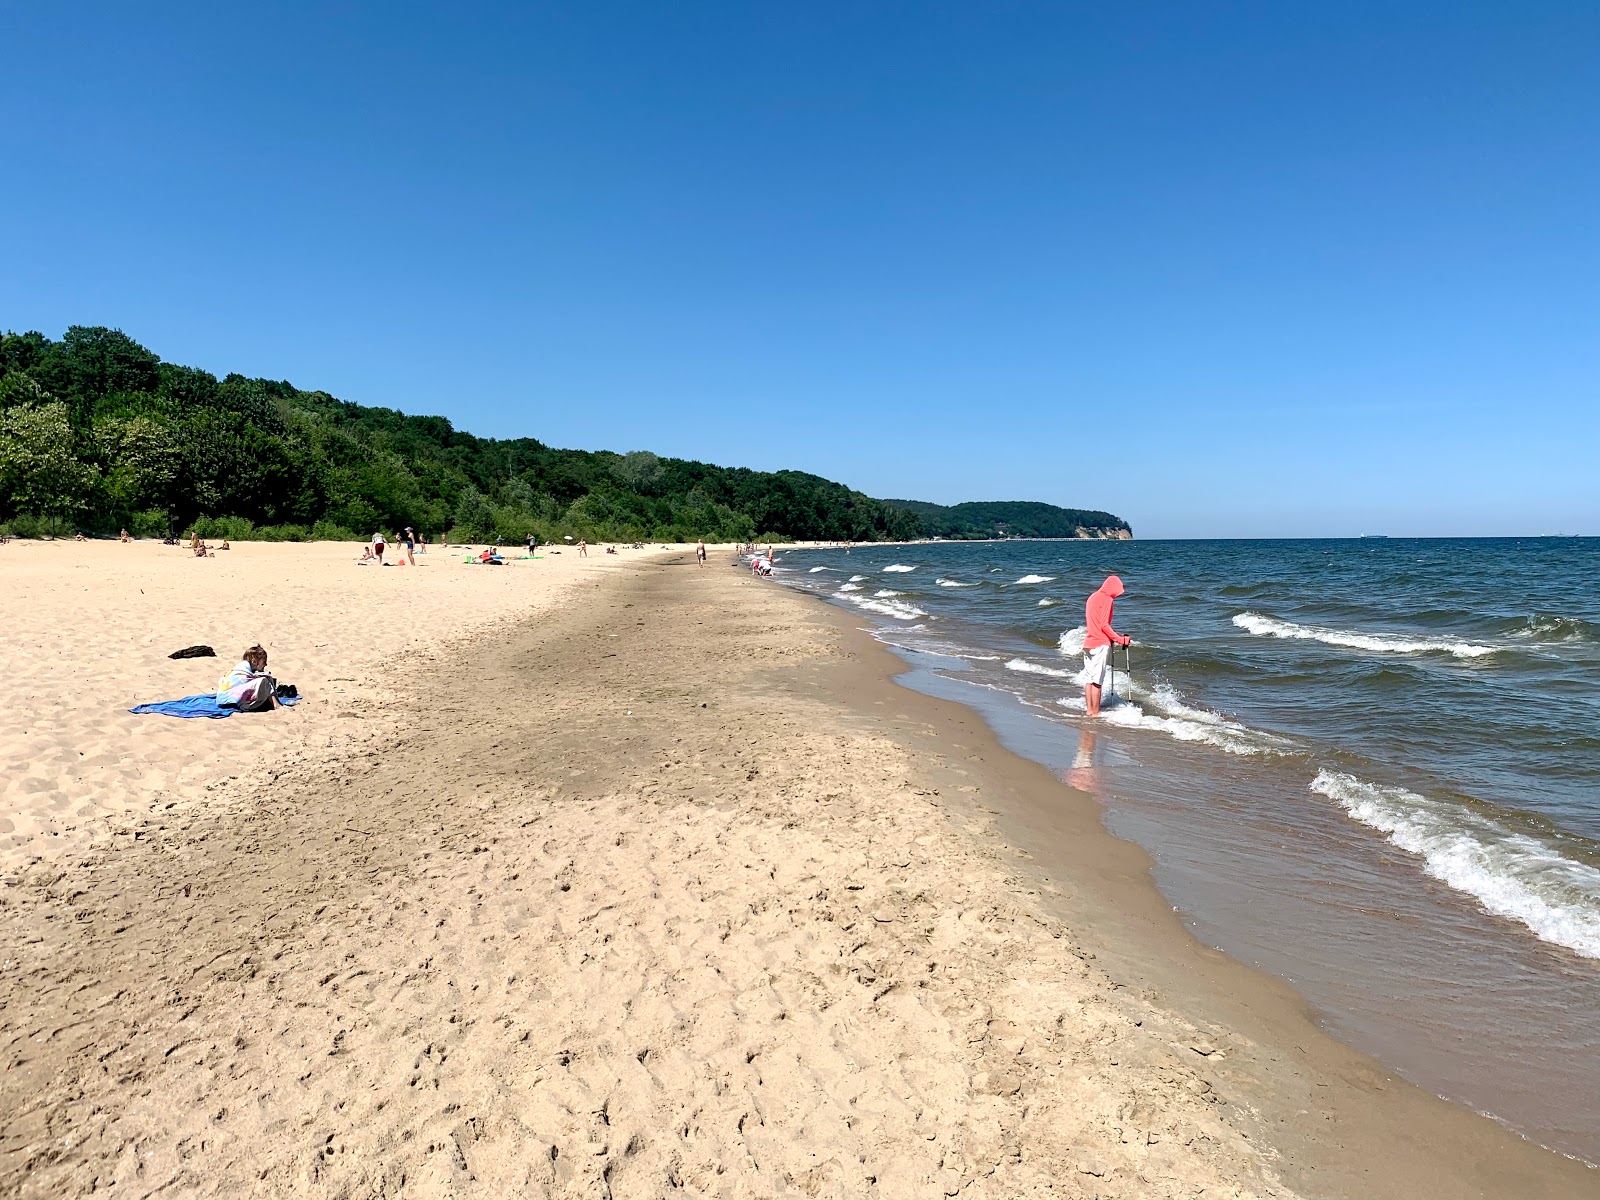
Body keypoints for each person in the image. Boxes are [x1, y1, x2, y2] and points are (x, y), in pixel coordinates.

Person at [1081, 574, 1130, 718]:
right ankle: (1095, 714)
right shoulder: (1107, 599)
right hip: (1100, 643)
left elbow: (1094, 623)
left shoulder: (1092, 597)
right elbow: (1103, 625)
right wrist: (1120, 639)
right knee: (1097, 681)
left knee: (1090, 679)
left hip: (1088, 642)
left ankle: (1089, 710)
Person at [216, 644, 276, 711]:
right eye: (264, 661)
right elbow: (242, 682)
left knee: (265, 679)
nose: (266, 664)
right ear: (254, 661)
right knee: (264, 681)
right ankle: (277, 705)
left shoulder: (243, 669)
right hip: (231, 700)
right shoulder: (241, 670)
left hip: (223, 700)